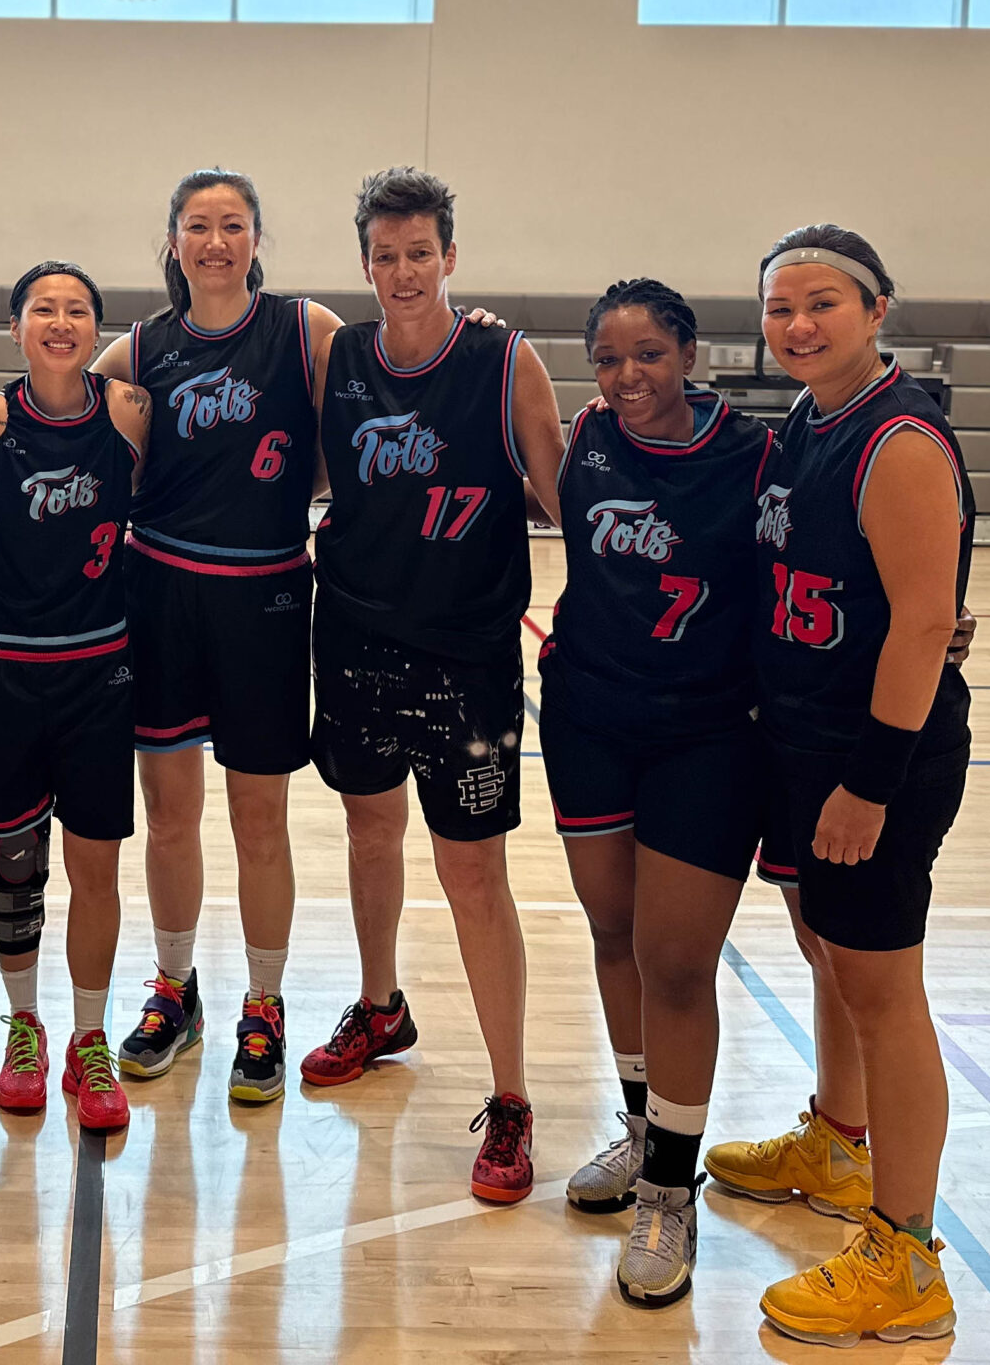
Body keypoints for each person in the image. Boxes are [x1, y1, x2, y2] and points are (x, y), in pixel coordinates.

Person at [709, 223, 974, 1347]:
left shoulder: (900, 439)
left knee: (881, 986)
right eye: (779, 308)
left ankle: (907, 1255)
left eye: (822, 303)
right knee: (825, 949)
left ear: (876, 310)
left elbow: (922, 624)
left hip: (875, 759)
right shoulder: (806, 427)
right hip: (801, 742)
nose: (798, 325)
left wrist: (870, 783)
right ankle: (836, 1138)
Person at [299, 167, 567, 1204]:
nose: (402, 272)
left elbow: (562, 499)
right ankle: (380, 1008)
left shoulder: (505, 363)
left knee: (473, 880)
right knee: (369, 835)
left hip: (466, 665)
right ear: (364, 263)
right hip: (355, 640)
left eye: (420, 254)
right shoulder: (343, 359)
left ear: (449, 257)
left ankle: (510, 1097)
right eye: (384, 256)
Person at [535, 279, 774, 1305]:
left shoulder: (756, 453)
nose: (627, 378)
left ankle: (670, 1195)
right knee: (613, 933)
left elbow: (844, 545)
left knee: (676, 964)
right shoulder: (585, 437)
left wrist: (941, 608)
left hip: (709, 734)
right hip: (588, 719)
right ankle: (643, 1132)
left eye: (648, 356)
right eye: (608, 359)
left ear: (688, 354)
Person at [93, 170, 337, 1106]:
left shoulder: (304, 330)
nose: (215, 241)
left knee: (259, 819)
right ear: (173, 242)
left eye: (232, 225)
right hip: (160, 592)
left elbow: (389, 376)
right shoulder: (143, 346)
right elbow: (59, 405)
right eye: (198, 226)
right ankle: (175, 987)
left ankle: (265, 1002)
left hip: (266, 594)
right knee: (169, 814)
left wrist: (471, 332)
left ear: (257, 238)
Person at [0, 263, 151, 1136]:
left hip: (100, 670)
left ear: (96, 328)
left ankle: (89, 1036)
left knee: (96, 866)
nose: (61, 322)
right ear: (16, 325)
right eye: (44, 308)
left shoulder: (130, 413)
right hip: (1, 668)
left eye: (77, 310)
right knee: (14, 864)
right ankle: (25, 1026)